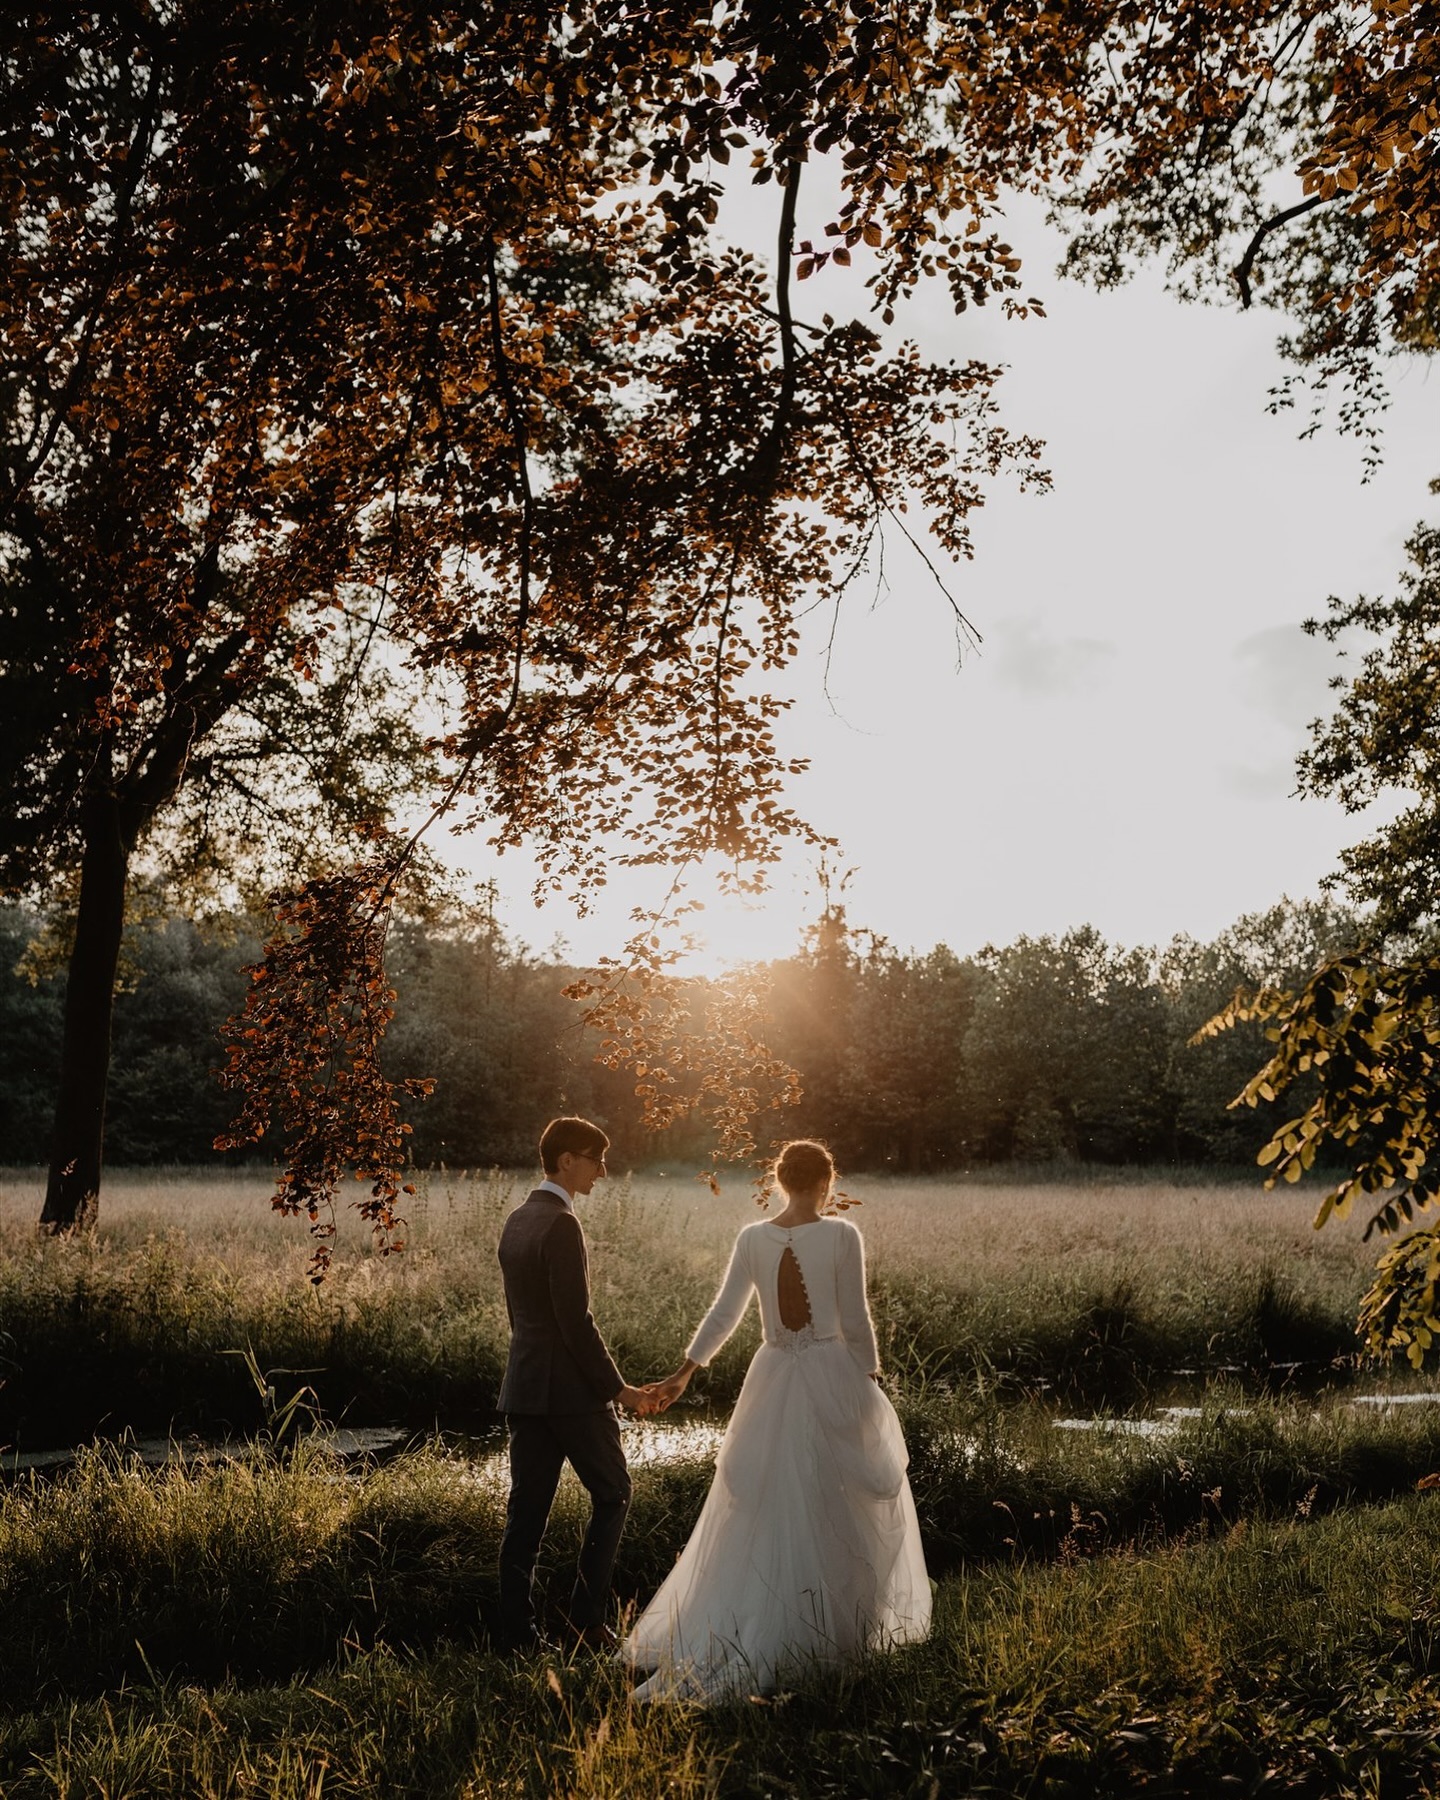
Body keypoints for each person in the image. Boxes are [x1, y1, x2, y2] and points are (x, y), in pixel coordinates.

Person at [622, 1138, 931, 1701]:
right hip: (832, 1373)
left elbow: (725, 1312)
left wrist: (683, 1374)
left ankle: (765, 1619)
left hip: (772, 1378)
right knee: (840, 1501)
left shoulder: (751, 1237)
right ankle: (834, 1635)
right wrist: (871, 1380)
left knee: (765, 1505)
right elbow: (856, 1317)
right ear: (825, 1183)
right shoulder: (842, 1234)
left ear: (782, 1181)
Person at [495, 1116, 655, 1653]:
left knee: (527, 1513)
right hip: (570, 1396)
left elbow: (522, 1318)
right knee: (614, 1494)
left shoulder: (517, 1219)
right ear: (567, 1160)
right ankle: (585, 1624)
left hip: (524, 1389)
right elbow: (576, 1321)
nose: (603, 1172)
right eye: (596, 1159)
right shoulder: (562, 1223)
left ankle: (516, 1635)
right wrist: (619, 1389)